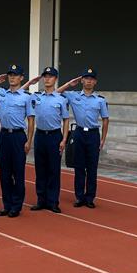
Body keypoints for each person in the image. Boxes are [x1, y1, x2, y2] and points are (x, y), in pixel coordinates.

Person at [0, 64, 34, 217]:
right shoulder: (0, 93)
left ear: (21, 78)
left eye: (15, 75)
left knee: (18, 172)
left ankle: (16, 206)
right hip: (4, 136)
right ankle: (7, 204)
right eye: (10, 75)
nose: (12, 78)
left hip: (18, 136)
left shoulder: (27, 97)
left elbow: (31, 120)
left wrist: (29, 141)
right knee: (4, 173)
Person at [58, 68, 109, 208]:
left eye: (91, 79)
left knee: (92, 168)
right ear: (82, 80)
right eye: (86, 78)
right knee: (79, 167)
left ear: (95, 82)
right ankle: (79, 197)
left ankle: (90, 198)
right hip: (79, 133)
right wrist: (69, 84)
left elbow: (105, 119)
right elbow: (56, 93)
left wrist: (103, 139)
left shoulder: (100, 100)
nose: (89, 81)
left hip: (93, 135)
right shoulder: (73, 96)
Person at [21, 66, 70, 213]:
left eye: (50, 76)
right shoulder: (36, 96)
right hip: (40, 136)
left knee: (53, 170)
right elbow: (19, 93)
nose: (47, 79)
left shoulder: (61, 99)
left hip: (54, 136)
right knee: (40, 169)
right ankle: (41, 200)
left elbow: (66, 120)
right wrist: (29, 83)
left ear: (55, 79)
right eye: (45, 76)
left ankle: (53, 201)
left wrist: (64, 139)